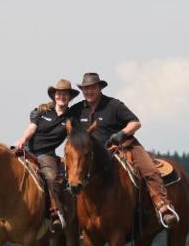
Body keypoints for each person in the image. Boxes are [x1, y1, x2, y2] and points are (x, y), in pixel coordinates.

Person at [0, 79, 77, 231]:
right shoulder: (42, 111)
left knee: (51, 177)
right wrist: (22, 140)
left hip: (46, 155)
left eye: (65, 94)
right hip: (26, 148)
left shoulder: (70, 119)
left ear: (70, 98)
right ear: (54, 95)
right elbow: (32, 128)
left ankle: (55, 212)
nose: (62, 97)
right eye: (59, 93)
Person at [68, 72, 179, 228]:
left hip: (122, 146)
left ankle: (163, 206)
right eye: (85, 89)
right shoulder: (77, 109)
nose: (89, 91)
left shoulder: (114, 105)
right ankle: (69, 218)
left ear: (99, 88)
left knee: (149, 169)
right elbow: (62, 119)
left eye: (92, 88)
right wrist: (44, 110)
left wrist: (122, 133)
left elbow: (135, 123)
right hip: (91, 154)